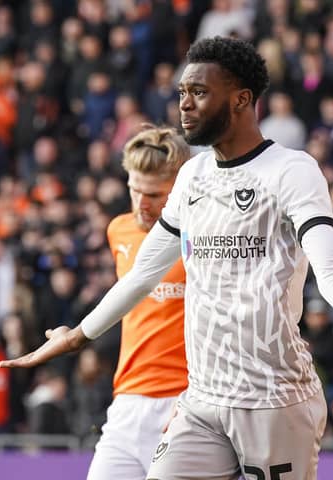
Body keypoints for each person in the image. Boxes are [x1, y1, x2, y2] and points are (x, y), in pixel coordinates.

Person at [1, 37, 333, 480]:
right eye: (182, 93)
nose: (185, 105)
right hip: (201, 399)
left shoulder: (291, 171)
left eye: (199, 92)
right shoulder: (193, 176)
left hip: (274, 399)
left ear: (241, 99)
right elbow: (142, 275)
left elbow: (330, 270)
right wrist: (79, 335)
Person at [84, 126, 189, 479]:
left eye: (155, 194)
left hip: (185, 402)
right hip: (127, 400)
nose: (142, 204)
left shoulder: (204, 236)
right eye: (135, 190)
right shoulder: (119, 230)